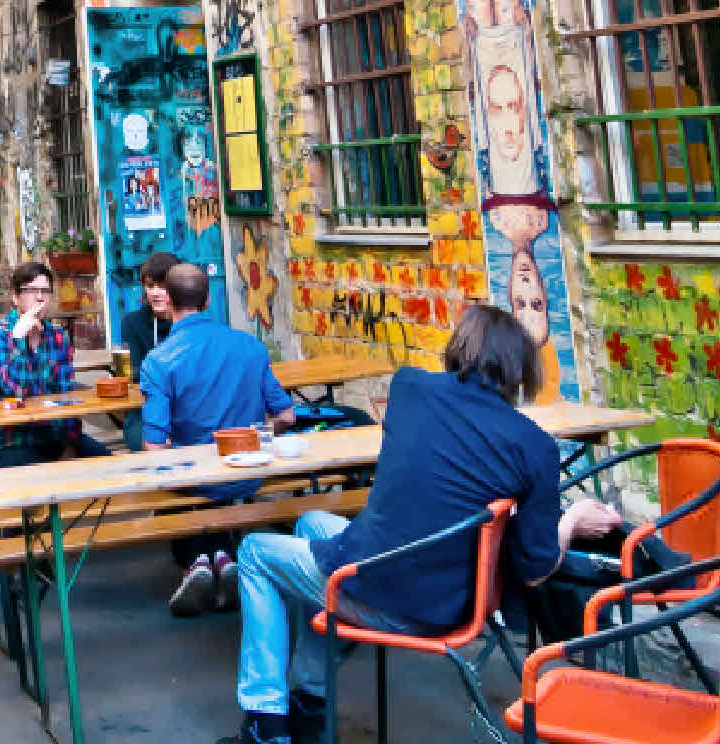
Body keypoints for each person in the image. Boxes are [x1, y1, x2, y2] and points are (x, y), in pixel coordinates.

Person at [222, 304, 576, 744]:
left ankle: (264, 723)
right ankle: (308, 703)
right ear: (520, 369)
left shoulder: (410, 388)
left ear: (460, 348)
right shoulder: (537, 446)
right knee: (313, 522)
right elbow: (536, 567)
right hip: (451, 603)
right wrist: (574, 519)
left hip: (387, 596)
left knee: (255, 552)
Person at [143, 262, 295, 617]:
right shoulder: (250, 347)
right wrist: (254, 438)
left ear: (169, 300)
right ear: (208, 300)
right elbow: (286, 415)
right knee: (211, 482)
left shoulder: (159, 361)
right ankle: (222, 555)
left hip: (195, 478)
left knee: (177, 479)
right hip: (247, 471)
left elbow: (154, 446)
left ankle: (198, 560)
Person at [0, 261, 97, 467]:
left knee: (113, 467)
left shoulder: (58, 336)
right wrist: (19, 339)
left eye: (45, 291)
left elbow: (66, 394)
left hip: (54, 437)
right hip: (11, 441)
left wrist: (70, 444)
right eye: (32, 290)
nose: (40, 297)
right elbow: (15, 390)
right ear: (16, 297)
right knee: (39, 481)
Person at [119, 250, 183, 364]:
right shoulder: (132, 323)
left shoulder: (189, 322)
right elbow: (135, 371)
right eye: (150, 286)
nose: (155, 293)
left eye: (163, 286)